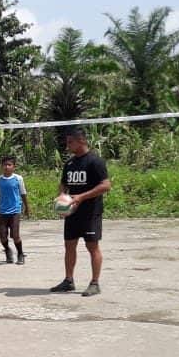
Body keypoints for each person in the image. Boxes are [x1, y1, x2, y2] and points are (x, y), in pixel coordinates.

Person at [50, 127, 111, 297]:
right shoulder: (69, 163)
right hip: (72, 213)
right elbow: (64, 184)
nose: (68, 145)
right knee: (69, 245)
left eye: (71, 142)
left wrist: (81, 197)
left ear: (82, 141)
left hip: (91, 212)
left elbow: (106, 185)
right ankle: (68, 281)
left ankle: (94, 283)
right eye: (67, 142)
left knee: (92, 246)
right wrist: (61, 199)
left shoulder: (95, 161)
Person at [0, 155, 30, 264]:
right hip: (2, 211)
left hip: (15, 210)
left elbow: (23, 193)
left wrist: (27, 207)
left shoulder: (18, 178)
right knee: (2, 236)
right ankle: (8, 250)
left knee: (15, 235)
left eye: (9, 165)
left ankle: (20, 254)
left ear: (14, 167)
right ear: (1, 166)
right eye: (4, 165)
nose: (6, 167)